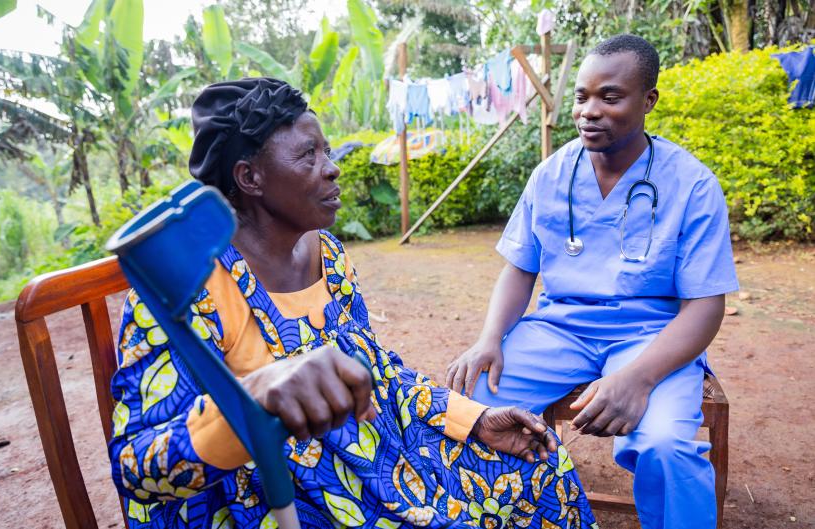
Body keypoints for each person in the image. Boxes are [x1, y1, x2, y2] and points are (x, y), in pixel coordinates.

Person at [107, 77, 597, 529]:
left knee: (539, 468)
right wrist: (253, 397)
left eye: (326, 150)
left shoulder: (327, 254)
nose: (332, 166)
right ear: (250, 177)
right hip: (280, 500)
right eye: (308, 155)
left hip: (377, 466)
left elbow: (380, 372)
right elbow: (136, 466)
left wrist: (473, 419)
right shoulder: (188, 289)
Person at [446, 34, 738, 529]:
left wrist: (638, 379)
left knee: (667, 446)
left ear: (648, 101)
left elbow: (706, 306)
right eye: (581, 96)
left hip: (653, 337)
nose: (589, 111)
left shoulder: (692, 185)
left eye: (610, 96)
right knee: (468, 410)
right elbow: (520, 268)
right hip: (560, 330)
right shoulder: (550, 175)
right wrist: (489, 338)